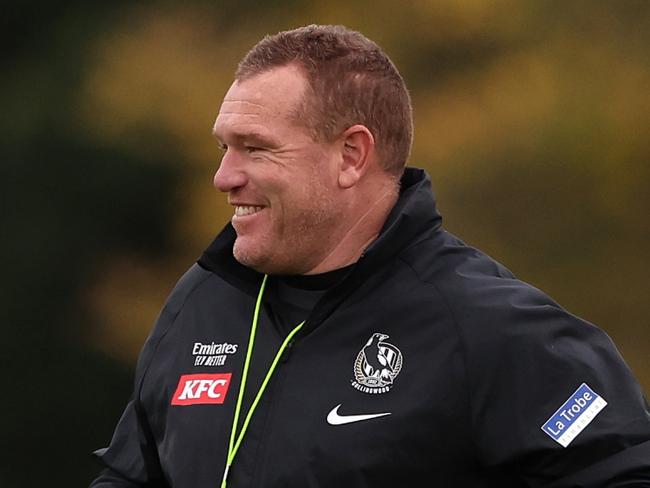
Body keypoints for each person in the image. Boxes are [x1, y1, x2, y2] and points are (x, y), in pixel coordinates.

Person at [90, 24, 650, 487]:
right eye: (224, 148)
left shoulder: (490, 328)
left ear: (352, 155)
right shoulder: (202, 299)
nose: (223, 177)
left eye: (255, 148)